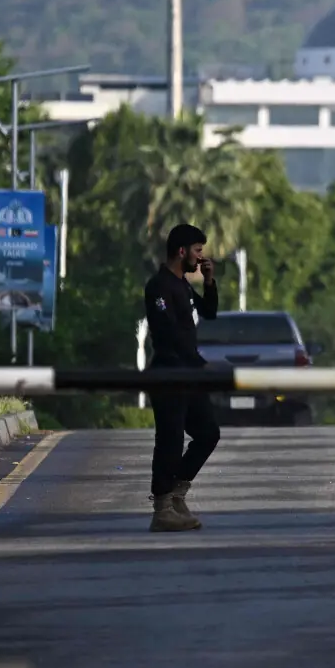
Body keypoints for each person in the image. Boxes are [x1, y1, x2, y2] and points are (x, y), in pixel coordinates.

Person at [143, 223, 221, 532]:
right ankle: (162, 507)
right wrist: (198, 363)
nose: (201, 256)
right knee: (171, 439)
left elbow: (210, 312)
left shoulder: (184, 285)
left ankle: (176, 494)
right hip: (169, 373)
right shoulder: (159, 287)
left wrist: (209, 282)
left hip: (189, 374)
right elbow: (168, 332)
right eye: (198, 250)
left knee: (207, 434)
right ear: (181, 251)